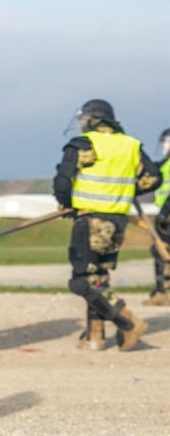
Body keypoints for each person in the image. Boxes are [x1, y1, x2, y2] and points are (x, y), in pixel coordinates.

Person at [55, 99, 160, 351]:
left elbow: (62, 181)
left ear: (94, 119)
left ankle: (127, 321)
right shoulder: (130, 145)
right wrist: (123, 190)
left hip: (90, 220)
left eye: (84, 119)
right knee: (98, 276)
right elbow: (153, 177)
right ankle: (95, 335)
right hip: (117, 221)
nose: (82, 124)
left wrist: (67, 204)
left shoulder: (84, 144)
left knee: (82, 281)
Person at [144, 128, 170, 306]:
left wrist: (163, 213)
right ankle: (160, 288)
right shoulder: (163, 165)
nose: (162, 146)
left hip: (167, 214)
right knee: (158, 251)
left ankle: (163, 290)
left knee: (163, 252)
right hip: (163, 212)